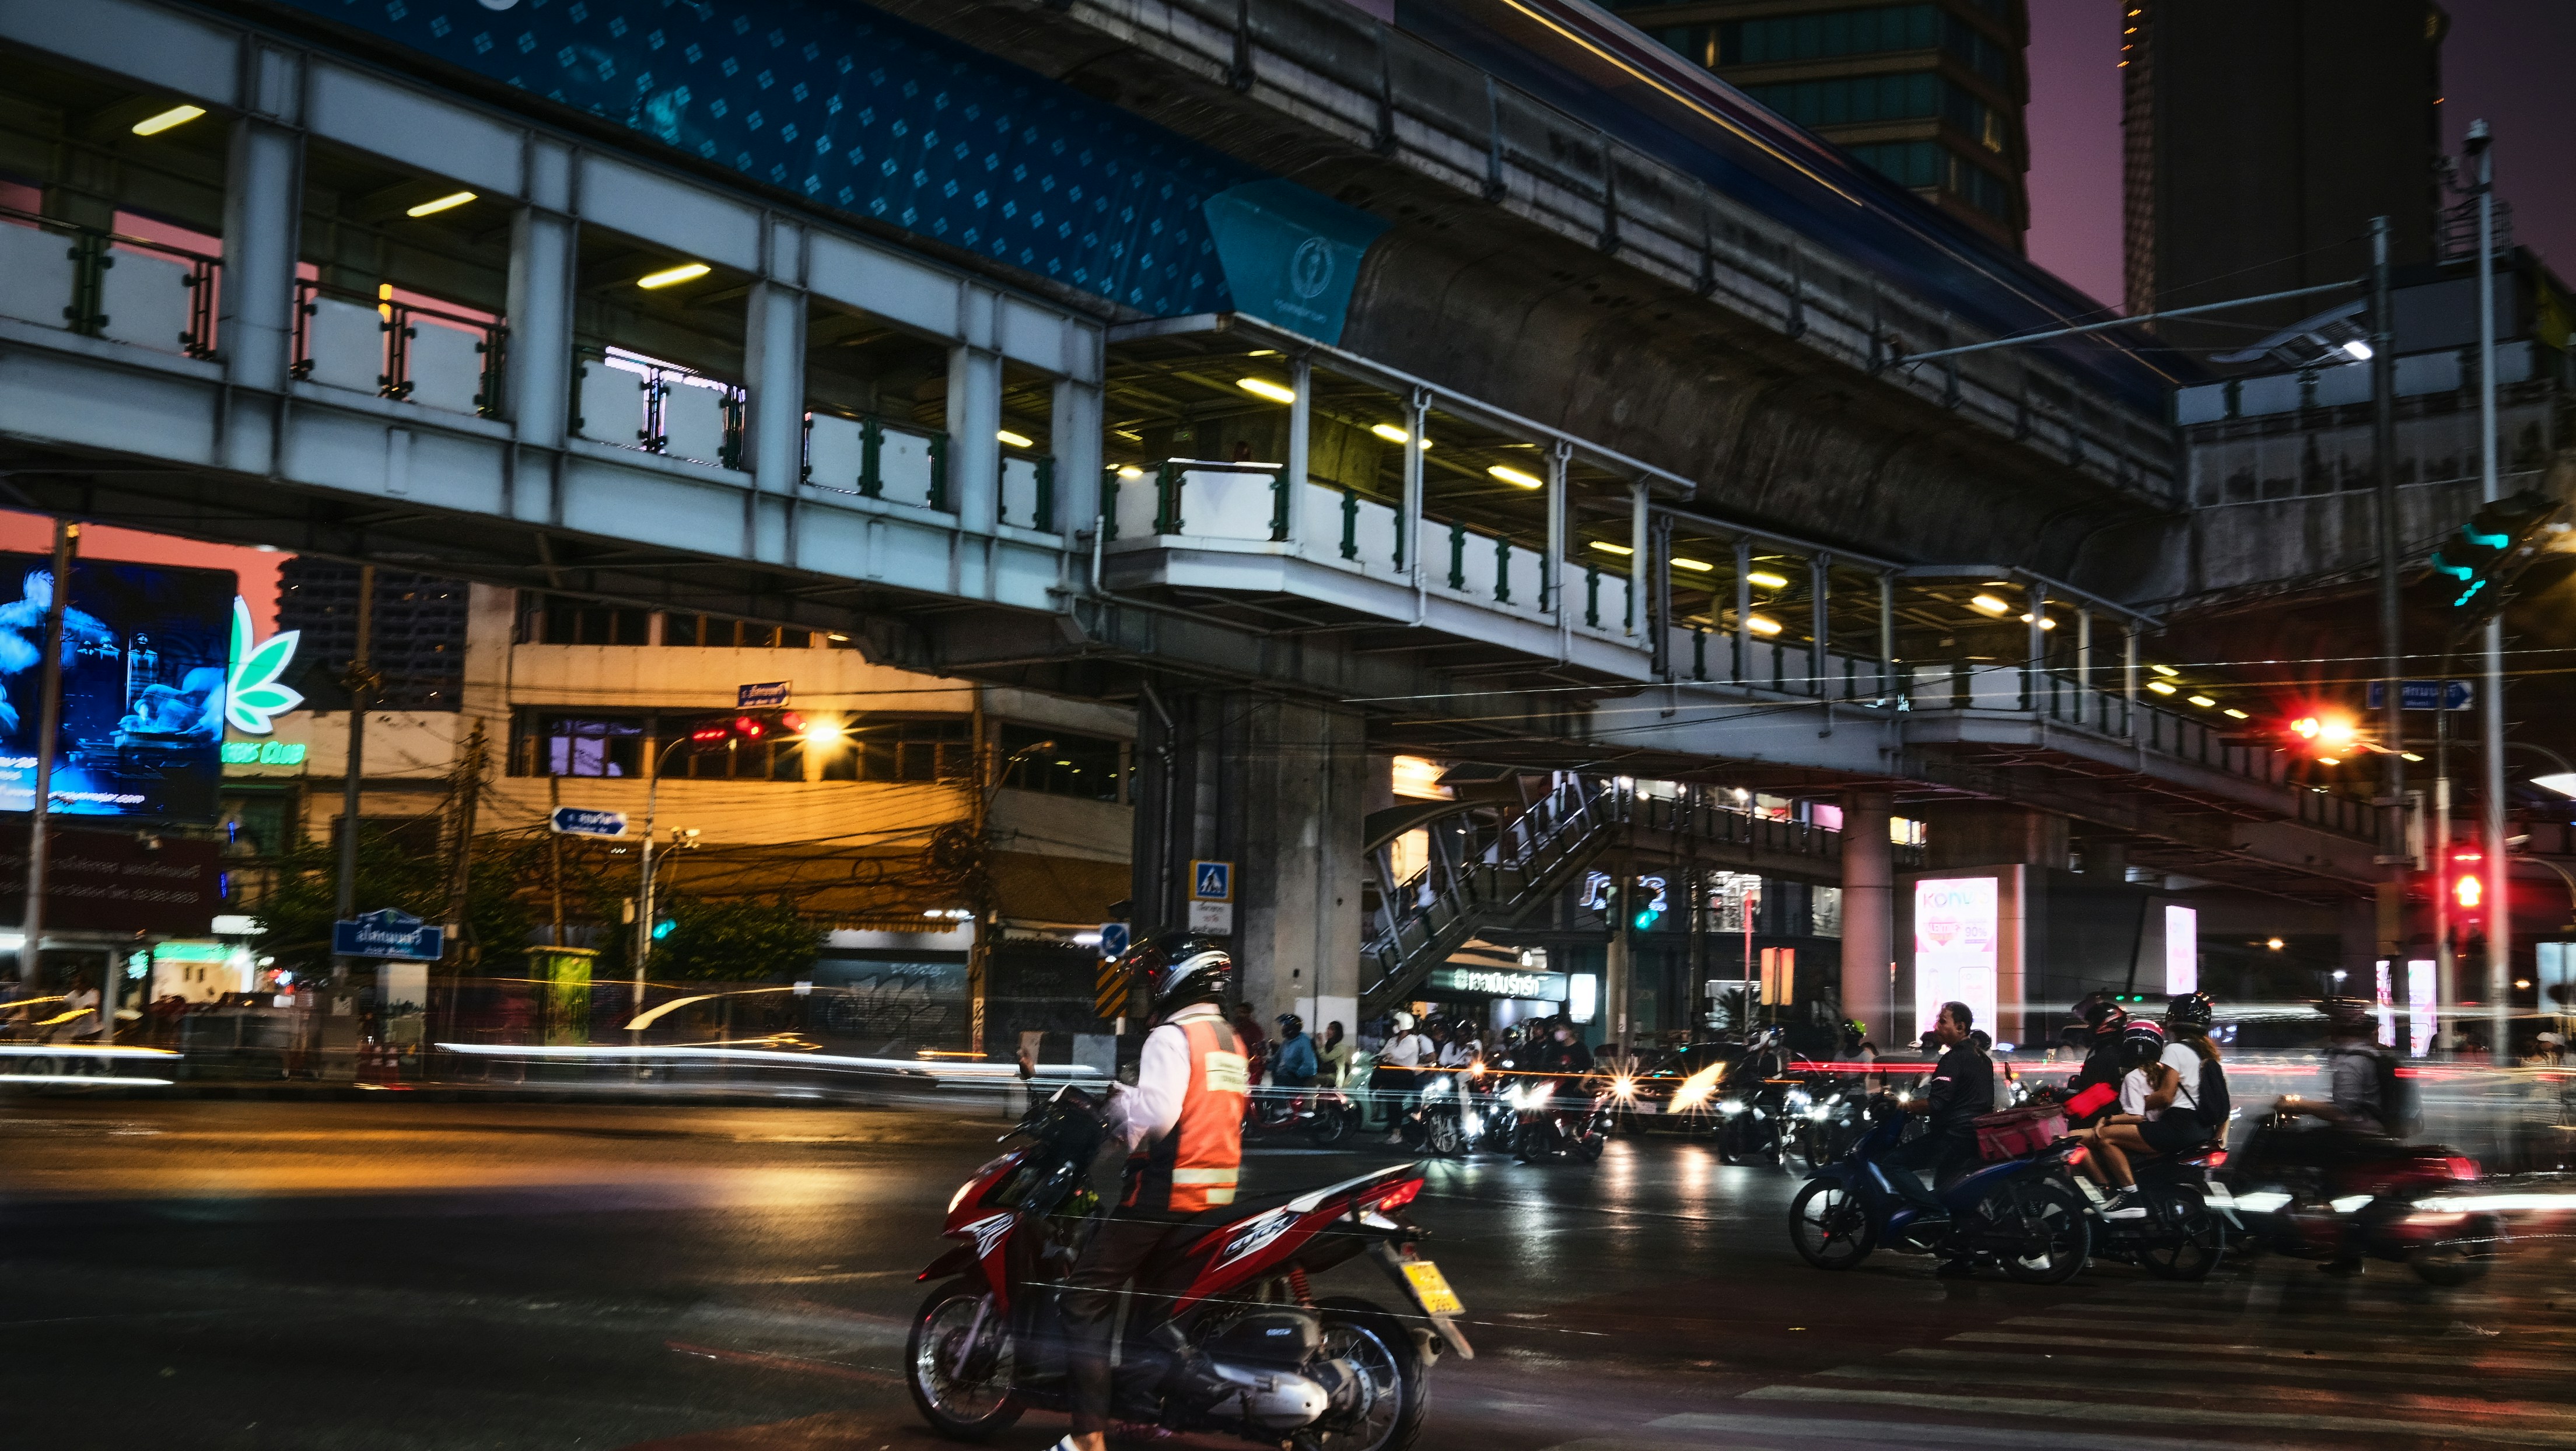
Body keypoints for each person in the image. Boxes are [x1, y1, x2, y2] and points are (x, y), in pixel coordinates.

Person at [1041, 933, 1247, 1451]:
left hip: (1162, 1194)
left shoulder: (1171, 1037)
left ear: (1182, 977)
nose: (1151, 982)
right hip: (1214, 1194)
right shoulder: (1229, 1040)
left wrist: (1120, 1108)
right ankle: (1140, 1410)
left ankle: (1087, 1437)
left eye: (1156, 972)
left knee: (1082, 1300)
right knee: (1153, 1309)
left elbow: (1159, 1118)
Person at [1895, 1001, 1993, 1204]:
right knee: (1944, 1186)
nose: (1936, 1027)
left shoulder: (1954, 1058)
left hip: (1953, 1138)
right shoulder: (1982, 1059)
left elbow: (1937, 1103)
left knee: (1891, 1164)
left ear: (1960, 1027)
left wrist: (1902, 1106)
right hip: (1974, 1137)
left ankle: (1931, 1212)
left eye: (1942, 1021)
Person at [1375, 1011, 1434, 1142]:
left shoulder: (1411, 1040)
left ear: (1404, 1024)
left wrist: (1388, 1056)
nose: (1394, 1026)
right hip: (1390, 1073)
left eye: (1397, 1023)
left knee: (1394, 1100)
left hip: (1404, 1075)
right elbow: (1383, 1053)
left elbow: (1398, 1054)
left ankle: (1397, 1133)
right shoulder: (1392, 1040)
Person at [1271, 1014, 1318, 1089]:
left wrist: (1296, 1074)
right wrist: (1266, 1063)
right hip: (1284, 1077)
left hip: (1300, 1079)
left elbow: (1309, 1066)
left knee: (1279, 1093)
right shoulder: (1286, 1042)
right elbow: (1277, 1058)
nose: (1283, 1028)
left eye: (1285, 1026)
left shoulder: (1304, 1042)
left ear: (1292, 1028)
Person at [1317, 1021, 1353, 1087]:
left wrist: (1321, 1045)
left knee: (1313, 1079)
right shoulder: (1328, 1045)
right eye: (1328, 1028)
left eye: (1331, 1029)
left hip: (1335, 1078)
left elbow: (1325, 1058)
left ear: (1337, 1033)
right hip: (1326, 1074)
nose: (1328, 1031)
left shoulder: (1340, 1047)